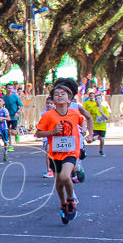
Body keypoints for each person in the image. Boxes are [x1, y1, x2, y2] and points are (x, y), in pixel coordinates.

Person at [36, 81, 92, 223]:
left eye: (63, 94)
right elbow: (38, 133)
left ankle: (71, 200)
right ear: (53, 99)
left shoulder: (74, 113)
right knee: (59, 181)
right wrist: (52, 132)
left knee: (65, 176)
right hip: (55, 154)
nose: (59, 96)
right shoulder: (48, 116)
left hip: (71, 152)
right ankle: (63, 204)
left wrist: (85, 129)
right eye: (56, 94)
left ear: (69, 98)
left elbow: (83, 120)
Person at [83, 90, 110, 156]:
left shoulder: (104, 108)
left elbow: (107, 118)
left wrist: (102, 112)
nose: (98, 100)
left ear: (101, 100)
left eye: (99, 99)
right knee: (92, 139)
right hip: (94, 125)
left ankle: (101, 150)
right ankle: (86, 139)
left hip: (102, 126)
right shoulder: (92, 108)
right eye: (96, 99)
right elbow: (88, 116)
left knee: (102, 139)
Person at [3, 84, 23, 148]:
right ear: (5, 89)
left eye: (11, 88)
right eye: (8, 88)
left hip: (14, 116)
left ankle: (16, 133)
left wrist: (18, 112)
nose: (10, 90)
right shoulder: (3, 97)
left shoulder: (15, 97)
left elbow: (21, 106)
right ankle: (10, 145)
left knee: (13, 132)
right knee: (8, 131)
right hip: (7, 116)